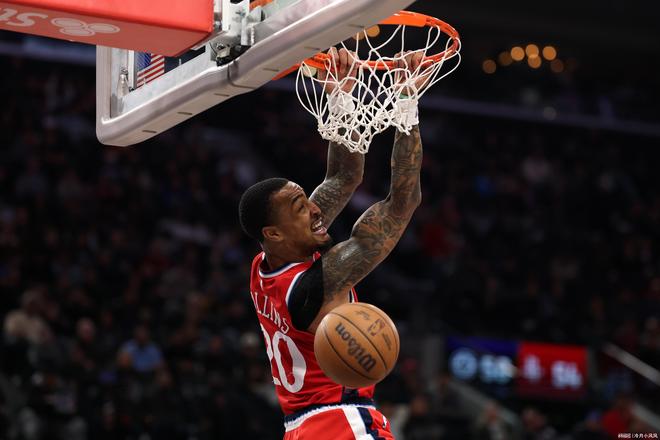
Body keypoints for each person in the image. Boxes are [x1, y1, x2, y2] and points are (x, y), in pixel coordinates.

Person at [238, 48, 427, 439]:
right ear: (274, 233)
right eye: (299, 207)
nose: (314, 208)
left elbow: (342, 178)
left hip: (302, 427)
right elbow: (402, 203)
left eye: (305, 199)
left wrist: (341, 95)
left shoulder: (264, 265)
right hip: (340, 422)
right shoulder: (317, 285)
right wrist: (406, 104)